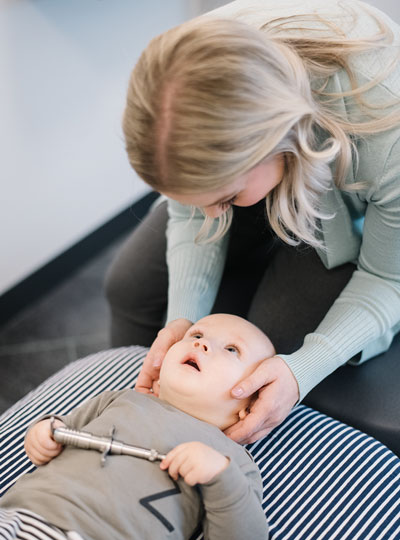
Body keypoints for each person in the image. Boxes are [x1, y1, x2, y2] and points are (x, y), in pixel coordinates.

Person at [105, 0, 400, 444]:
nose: (208, 218)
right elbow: (192, 210)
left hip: (353, 217)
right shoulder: (188, 68)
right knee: (128, 285)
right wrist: (183, 323)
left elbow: (387, 276)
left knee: (264, 353)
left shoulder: (387, 125)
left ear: (274, 140)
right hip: (261, 170)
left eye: (224, 198)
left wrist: (302, 370)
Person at [0, 314, 271, 540]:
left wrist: (221, 477)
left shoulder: (231, 460)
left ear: (249, 409)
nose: (202, 345)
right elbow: (60, 432)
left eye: (232, 350)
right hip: (20, 513)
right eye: (197, 335)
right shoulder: (119, 398)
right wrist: (43, 433)